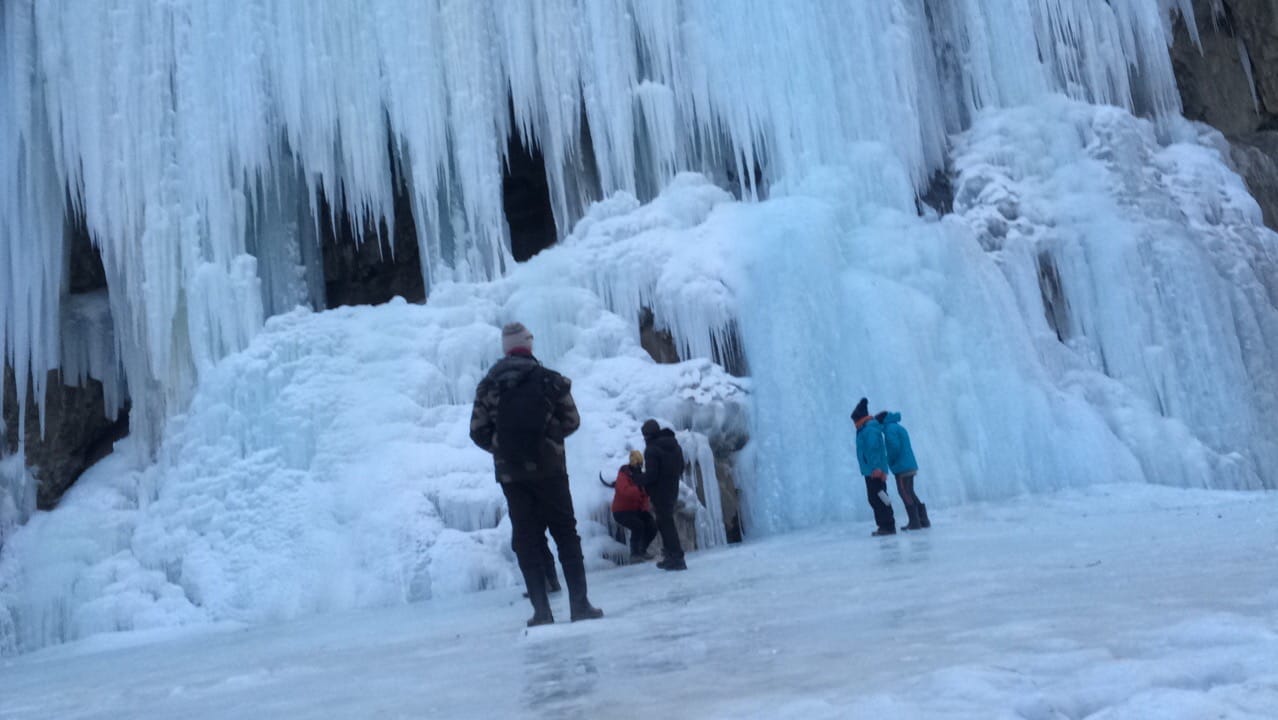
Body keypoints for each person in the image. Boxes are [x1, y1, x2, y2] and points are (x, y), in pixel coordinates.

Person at [470, 322, 603, 626]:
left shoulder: (489, 386)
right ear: (528, 346)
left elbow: (477, 432)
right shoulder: (549, 380)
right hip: (551, 471)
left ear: (505, 349)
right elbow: (572, 420)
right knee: (566, 534)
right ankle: (579, 606)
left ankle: (542, 612)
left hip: (513, 478)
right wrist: (548, 442)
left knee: (527, 540)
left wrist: (504, 450)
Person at [635, 419, 687, 570]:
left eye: (645, 435)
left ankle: (676, 557)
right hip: (672, 489)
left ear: (647, 435)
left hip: (659, 491)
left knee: (665, 524)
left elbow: (652, 475)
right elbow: (681, 467)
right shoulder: (675, 445)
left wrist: (637, 479)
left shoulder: (651, 450)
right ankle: (671, 556)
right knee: (666, 522)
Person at [876, 411, 930, 531]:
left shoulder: (889, 429)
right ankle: (923, 519)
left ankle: (914, 522)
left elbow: (894, 447)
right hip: (909, 464)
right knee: (910, 491)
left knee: (904, 492)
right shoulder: (897, 426)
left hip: (902, 466)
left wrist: (891, 461)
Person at [600, 450, 657, 561]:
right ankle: (634, 554)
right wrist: (640, 489)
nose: (639, 466)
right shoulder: (623, 474)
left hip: (636, 510)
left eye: (640, 464)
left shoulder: (640, 476)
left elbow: (644, 496)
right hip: (621, 511)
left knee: (652, 526)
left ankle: (642, 550)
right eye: (637, 463)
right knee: (638, 526)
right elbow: (624, 491)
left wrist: (644, 506)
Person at [852, 397, 896, 536]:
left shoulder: (869, 429)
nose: (854, 423)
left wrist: (877, 468)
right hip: (871, 470)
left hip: (874, 471)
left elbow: (874, 449)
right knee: (877, 497)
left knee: (878, 497)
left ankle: (887, 526)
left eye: (854, 420)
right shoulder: (866, 428)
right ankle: (885, 525)